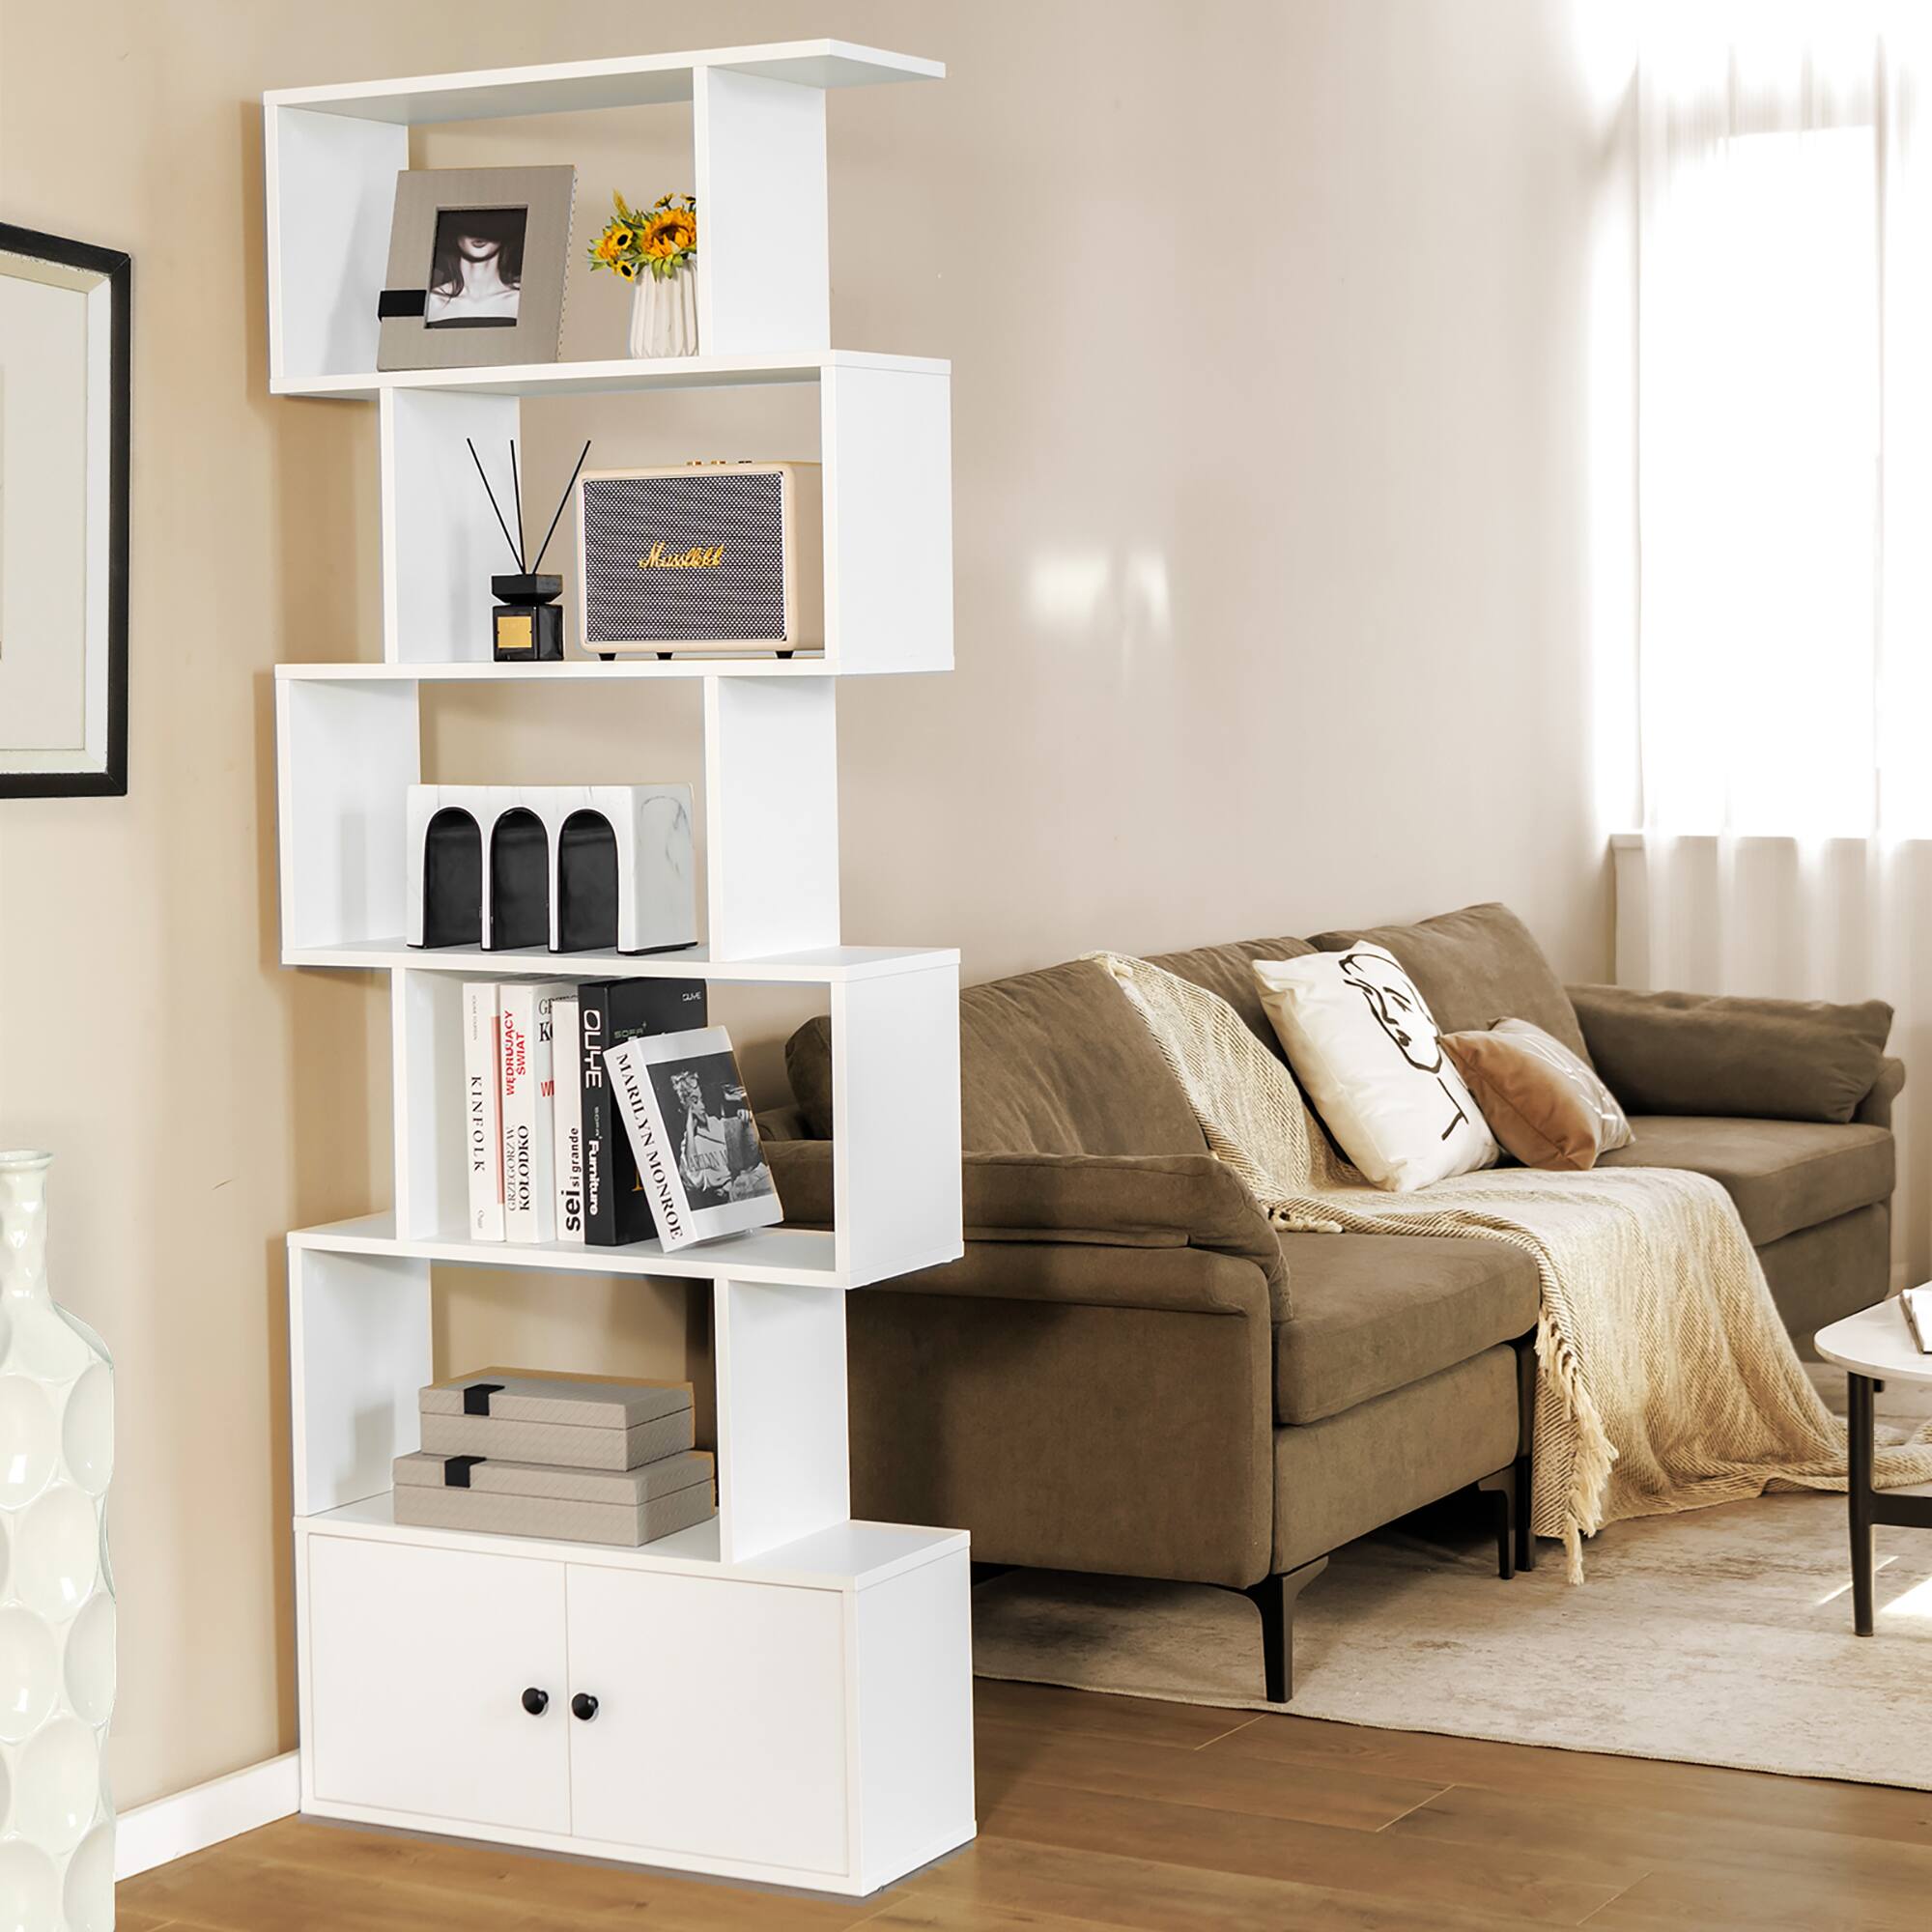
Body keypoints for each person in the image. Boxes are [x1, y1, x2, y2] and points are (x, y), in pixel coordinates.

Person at [425, 208, 524, 327]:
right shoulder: (432, 302)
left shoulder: (522, 301)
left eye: (491, 224)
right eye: (469, 225)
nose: (479, 232)